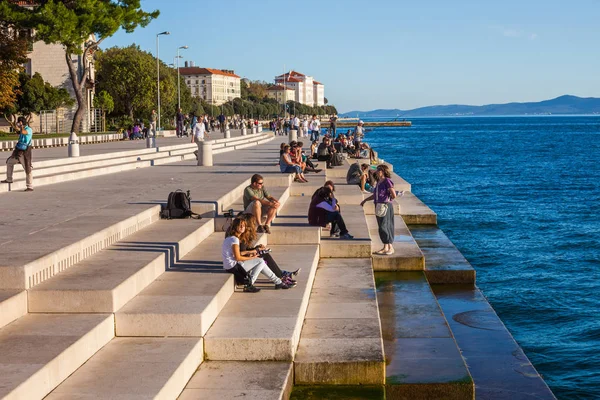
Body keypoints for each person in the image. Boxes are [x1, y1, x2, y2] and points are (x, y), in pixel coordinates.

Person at [222, 218, 290, 292]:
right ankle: (249, 284)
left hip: (230, 266)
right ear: (235, 227)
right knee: (260, 261)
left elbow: (239, 253)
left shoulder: (231, 238)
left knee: (261, 263)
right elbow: (238, 257)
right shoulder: (234, 240)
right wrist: (253, 257)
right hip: (233, 267)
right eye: (240, 226)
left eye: (243, 226)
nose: (242, 227)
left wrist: (253, 251)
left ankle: (278, 282)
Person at [230, 213, 299, 286]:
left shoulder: (244, 235)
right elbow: (241, 253)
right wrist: (254, 252)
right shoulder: (241, 238)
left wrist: (257, 248)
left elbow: (246, 250)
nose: (255, 224)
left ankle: (281, 276)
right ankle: (281, 277)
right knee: (264, 257)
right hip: (241, 262)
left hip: (242, 260)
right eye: (254, 222)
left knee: (263, 257)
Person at [360, 164, 397, 255]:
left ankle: (389, 247)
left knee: (385, 225)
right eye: (377, 170)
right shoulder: (379, 182)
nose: (377, 171)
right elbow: (375, 195)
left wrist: (387, 199)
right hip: (378, 206)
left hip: (385, 206)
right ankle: (386, 246)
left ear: (383, 171)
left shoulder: (387, 181)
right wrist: (365, 200)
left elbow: (393, 194)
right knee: (381, 226)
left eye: (378, 170)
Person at [2, 116, 33, 191]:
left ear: (21, 122)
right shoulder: (22, 129)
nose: (18, 124)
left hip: (25, 153)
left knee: (27, 168)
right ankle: (9, 179)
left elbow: (24, 133)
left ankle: (30, 186)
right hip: (18, 152)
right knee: (9, 162)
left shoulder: (28, 129)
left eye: (19, 122)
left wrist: (21, 126)